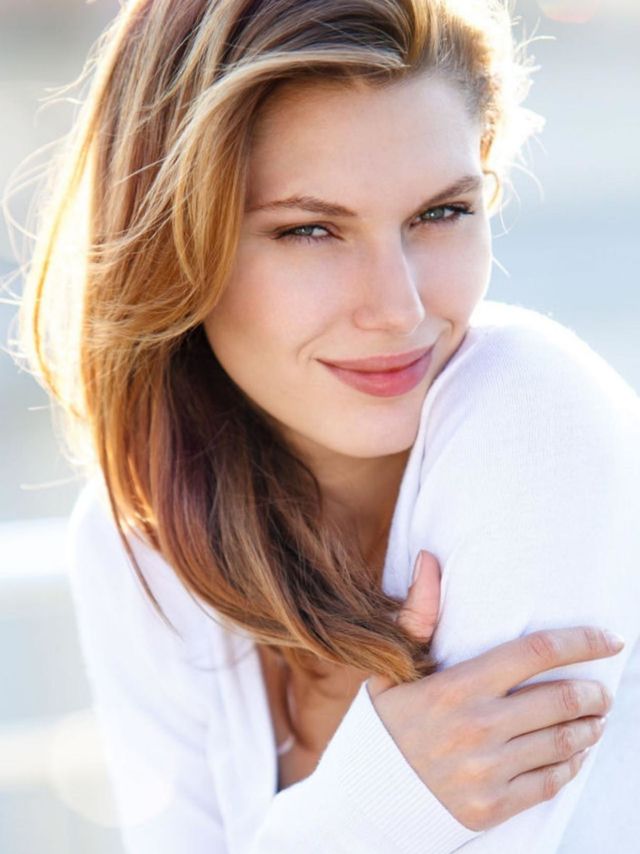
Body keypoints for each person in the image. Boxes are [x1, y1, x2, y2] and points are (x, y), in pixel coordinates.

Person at [16, 0, 639, 851]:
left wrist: (364, 806)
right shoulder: (141, 538)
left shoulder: (535, 412)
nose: (399, 309)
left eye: (441, 213)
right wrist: (379, 798)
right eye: (310, 230)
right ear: (171, 247)